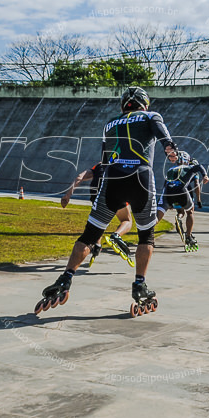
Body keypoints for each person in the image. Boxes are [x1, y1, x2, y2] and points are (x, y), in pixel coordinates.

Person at [36, 86, 178, 313]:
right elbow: (164, 136)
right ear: (144, 103)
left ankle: (65, 279)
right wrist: (171, 150)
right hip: (141, 178)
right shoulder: (152, 115)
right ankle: (139, 285)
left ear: (124, 105)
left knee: (90, 235)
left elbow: (104, 160)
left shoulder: (110, 123)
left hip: (111, 180)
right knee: (146, 236)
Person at [60, 162, 134, 266]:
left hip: (96, 193)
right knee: (126, 220)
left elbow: (79, 177)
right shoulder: (122, 162)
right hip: (115, 190)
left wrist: (67, 195)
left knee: (98, 221)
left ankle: (97, 244)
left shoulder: (99, 165)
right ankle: (116, 236)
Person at [155, 151, 209, 250]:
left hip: (167, 192)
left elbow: (165, 187)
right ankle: (188, 236)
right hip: (182, 191)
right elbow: (199, 167)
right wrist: (205, 175)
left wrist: (165, 203)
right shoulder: (190, 167)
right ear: (186, 160)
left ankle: (146, 235)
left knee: (157, 217)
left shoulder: (170, 169)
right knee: (190, 212)